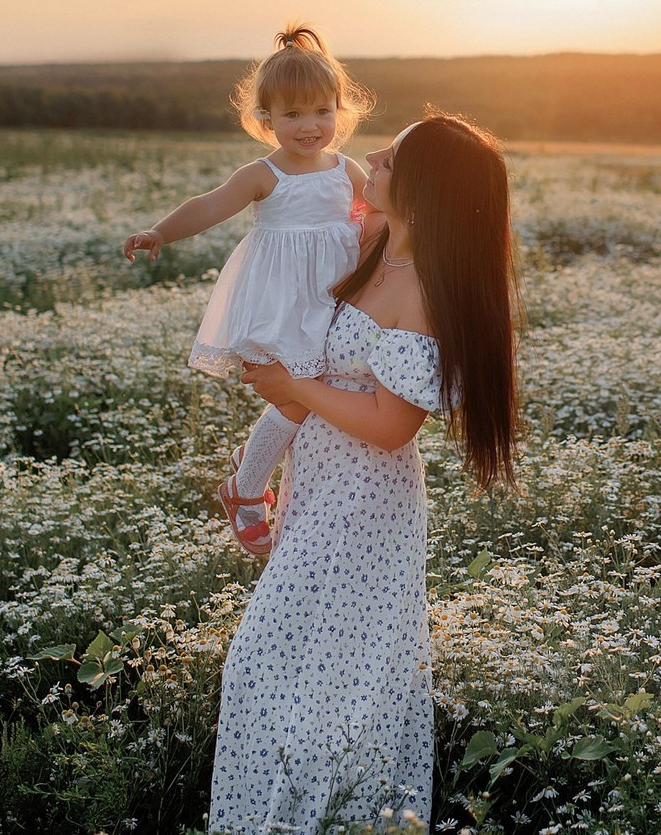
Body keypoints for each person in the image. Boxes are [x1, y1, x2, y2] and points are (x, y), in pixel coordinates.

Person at [208, 111, 521, 834]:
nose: (373, 154)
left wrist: (293, 388)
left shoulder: (424, 291)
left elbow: (391, 425)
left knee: (289, 672)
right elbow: (289, 224)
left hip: (365, 503)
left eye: (395, 155)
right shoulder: (378, 246)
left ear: (427, 191)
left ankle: (322, 821)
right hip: (323, 485)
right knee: (303, 672)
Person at [123, 25, 373, 554]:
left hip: (334, 298)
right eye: (292, 115)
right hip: (284, 303)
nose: (310, 126)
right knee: (296, 394)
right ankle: (247, 486)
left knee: (329, 392)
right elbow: (209, 205)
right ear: (265, 118)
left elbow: (378, 214)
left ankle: (284, 481)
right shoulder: (264, 174)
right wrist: (161, 231)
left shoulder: (345, 168)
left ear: (339, 110)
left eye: (322, 112)